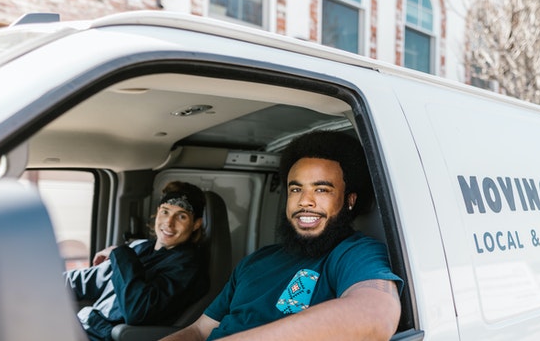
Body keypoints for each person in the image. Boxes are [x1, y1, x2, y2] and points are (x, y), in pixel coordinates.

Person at [162, 130, 402, 341]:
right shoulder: (255, 261)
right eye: (296, 189)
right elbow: (200, 331)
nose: (304, 201)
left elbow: (376, 317)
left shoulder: (355, 253)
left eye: (321, 189)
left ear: (349, 200)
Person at [65, 181, 210, 341]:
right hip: (80, 326)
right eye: (165, 212)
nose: (169, 223)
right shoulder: (139, 247)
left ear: (196, 224)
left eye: (181, 216)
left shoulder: (187, 268)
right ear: (157, 212)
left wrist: (118, 253)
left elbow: (137, 310)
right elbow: (86, 281)